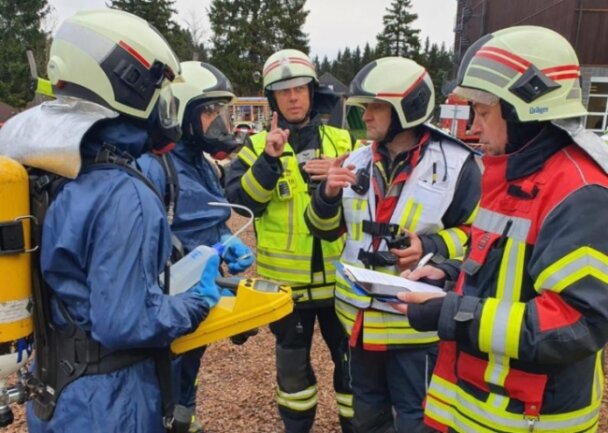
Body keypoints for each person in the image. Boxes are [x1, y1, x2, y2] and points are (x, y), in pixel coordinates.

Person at [0, 10, 223, 433]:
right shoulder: (123, 192)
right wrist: (198, 302)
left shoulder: (38, 167)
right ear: (128, 84)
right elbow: (125, 322)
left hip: (53, 389)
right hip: (110, 400)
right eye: (158, 87)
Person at [393, 26, 608, 433]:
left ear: (524, 108)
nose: (474, 127)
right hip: (480, 405)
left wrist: (451, 314)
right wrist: (450, 273)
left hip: (528, 416)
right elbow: (505, 274)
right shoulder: (516, 171)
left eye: (484, 112)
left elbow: (577, 324)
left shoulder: (580, 193)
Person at [305, 57, 481, 433]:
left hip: (413, 327)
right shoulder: (355, 159)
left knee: (416, 420)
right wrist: (327, 195)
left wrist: (430, 243)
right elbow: (325, 231)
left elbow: (480, 237)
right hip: (359, 320)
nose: (365, 117)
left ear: (408, 107)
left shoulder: (458, 163)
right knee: (366, 417)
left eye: (375, 107)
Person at [225, 49, 354, 433]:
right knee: (294, 379)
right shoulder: (255, 146)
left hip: (340, 284)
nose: (293, 97)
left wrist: (341, 179)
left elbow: (372, 200)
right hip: (288, 290)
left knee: (352, 375)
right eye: (284, 92)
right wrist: (268, 162)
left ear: (312, 92)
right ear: (272, 99)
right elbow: (243, 204)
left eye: (299, 88)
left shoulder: (343, 141)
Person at [138, 60, 255, 433]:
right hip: (170, 302)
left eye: (220, 111)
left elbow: (205, 217)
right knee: (162, 381)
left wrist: (223, 241)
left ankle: (184, 414)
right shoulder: (156, 165)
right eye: (209, 111)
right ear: (181, 113)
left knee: (188, 369)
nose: (218, 121)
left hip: (194, 301)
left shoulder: (198, 163)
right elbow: (154, 235)